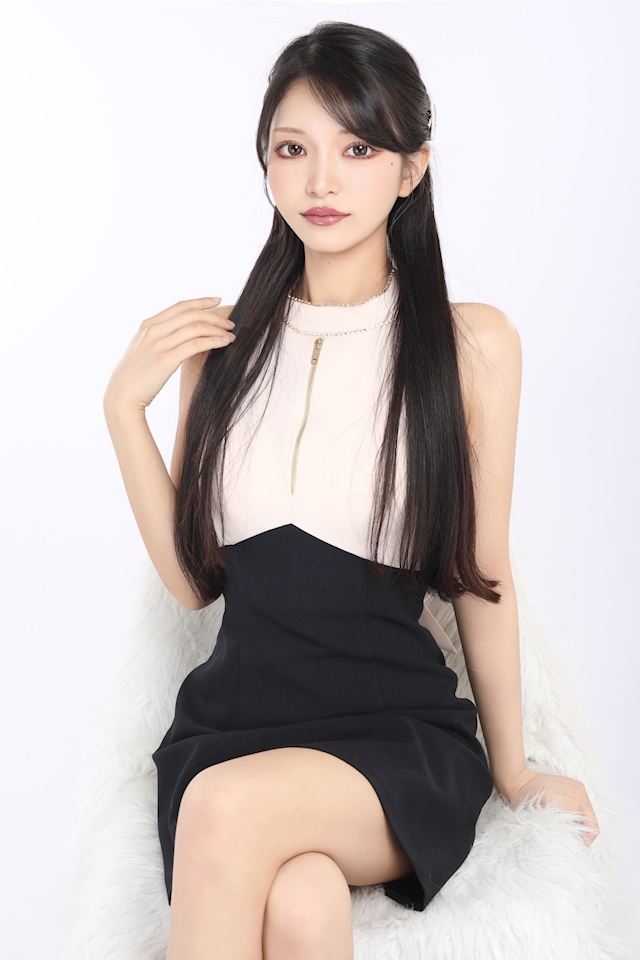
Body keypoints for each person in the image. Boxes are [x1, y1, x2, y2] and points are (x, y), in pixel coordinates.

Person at [103, 21, 600, 960]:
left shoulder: (470, 345)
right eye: (293, 149)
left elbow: (483, 574)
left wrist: (515, 768)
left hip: (392, 737)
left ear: (411, 170)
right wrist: (124, 410)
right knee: (301, 900)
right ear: (265, 164)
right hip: (232, 727)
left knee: (223, 809)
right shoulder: (221, 353)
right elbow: (195, 584)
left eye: (358, 149)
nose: (321, 181)